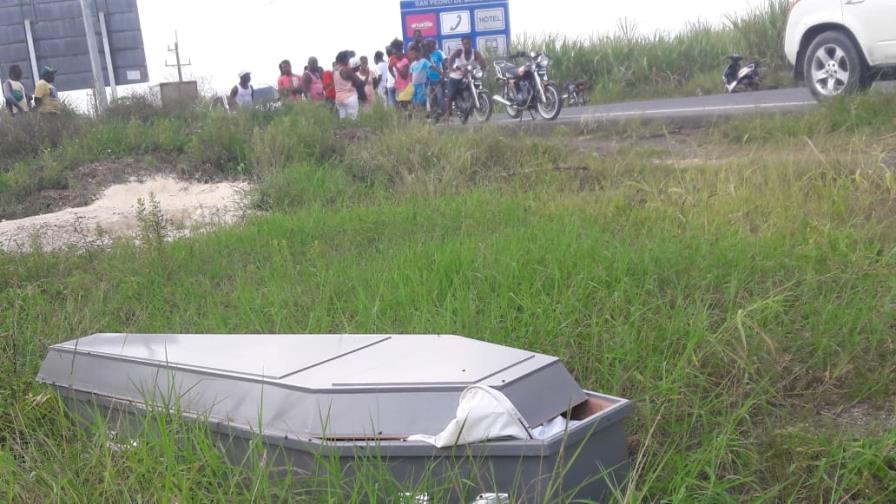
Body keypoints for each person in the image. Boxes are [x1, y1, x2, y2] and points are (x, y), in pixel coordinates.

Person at [443, 36, 487, 118]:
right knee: (450, 94)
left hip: (470, 74)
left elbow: (482, 62)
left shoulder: (475, 53)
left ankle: (474, 100)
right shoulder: (459, 52)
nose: (466, 45)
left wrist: (483, 68)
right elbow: (450, 61)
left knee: (477, 84)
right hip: (457, 75)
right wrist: (451, 68)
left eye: (468, 43)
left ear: (471, 43)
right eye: (465, 43)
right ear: (462, 44)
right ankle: (447, 116)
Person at [334, 51, 368, 120]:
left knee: (343, 120)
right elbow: (359, 82)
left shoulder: (335, 70)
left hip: (339, 98)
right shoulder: (345, 70)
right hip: (349, 98)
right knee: (353, 120)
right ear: (345, 59)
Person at [409, 45, 432, 110]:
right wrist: (410, 85)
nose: (411, 55)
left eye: (413, 53)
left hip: (421, 85)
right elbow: (411, 75)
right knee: (414, 101)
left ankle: (424, 115)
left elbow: (432, 67)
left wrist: (441, 73)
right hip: (413, 86)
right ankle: (417, 115)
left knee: (422, 100)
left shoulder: (424, 61)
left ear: (419, 52)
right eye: (410, 54)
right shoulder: (413, 64)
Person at [390, 41, 412, 109]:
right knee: (400, 107)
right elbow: (390, 68)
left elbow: (404, 76)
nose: (393, 51)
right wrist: (395, 78)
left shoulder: (405, 59)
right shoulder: (393, 59)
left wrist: (396, 66)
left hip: (406, 86)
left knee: (406, 107)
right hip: (399, 87)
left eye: (393, 49)